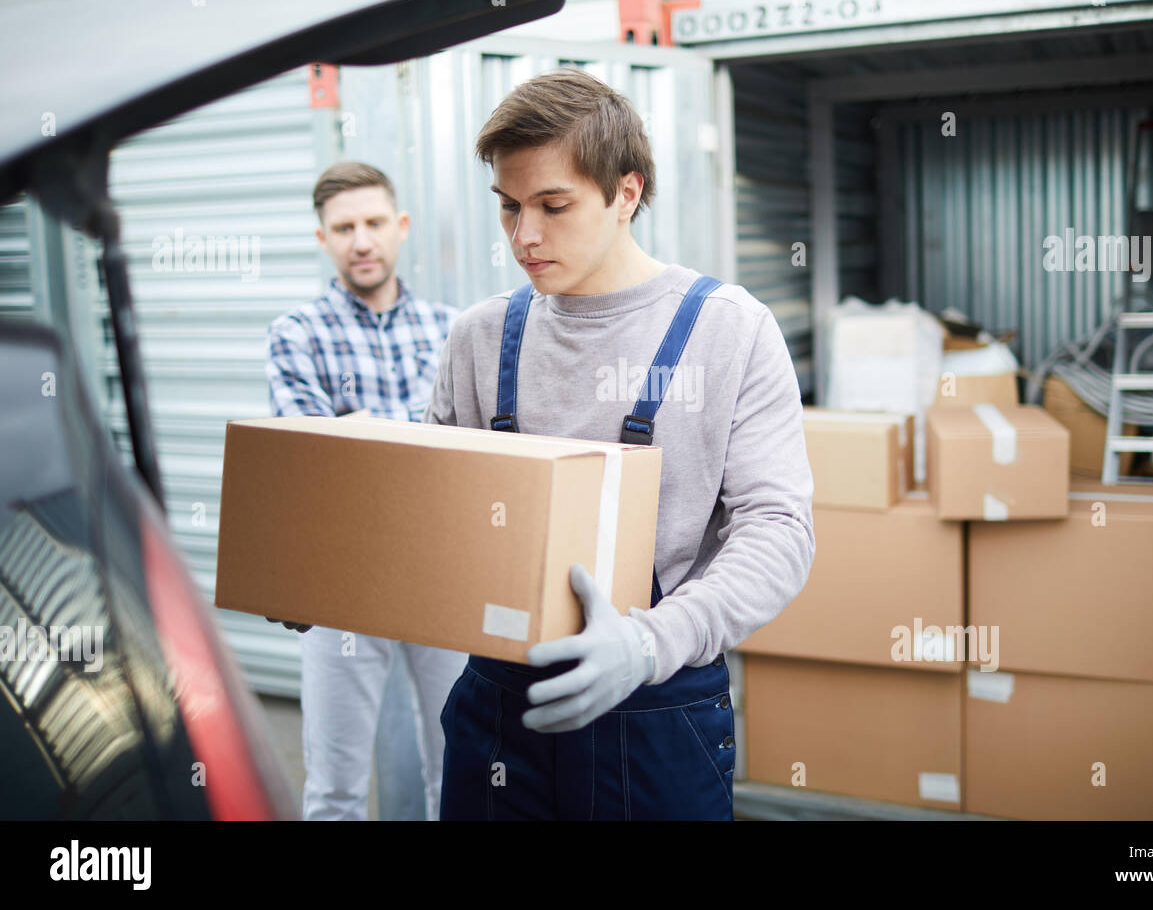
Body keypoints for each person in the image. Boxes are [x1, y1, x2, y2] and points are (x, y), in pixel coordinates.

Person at [425, 69, 815, 820]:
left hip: (657, 714)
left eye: (553, 205)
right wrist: (341, 574)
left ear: (626, 193)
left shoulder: (728, 330)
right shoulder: (478, 339)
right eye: (508, 208)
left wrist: (647, 644)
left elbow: (779, 530)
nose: (524, 236)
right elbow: (441, 515)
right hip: (500, 715)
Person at [266, 161, 467, 820]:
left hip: (440, 573)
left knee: (458, 765)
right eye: (343, 227)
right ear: (322, 238)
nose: (361, 240)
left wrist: (356, 431)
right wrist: (401, 437)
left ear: (400, 227)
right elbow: (314, 457)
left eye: (374, 223)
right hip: (339, 579)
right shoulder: (296, 334)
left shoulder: (452, 329)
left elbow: (465, 449)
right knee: (334, 784)